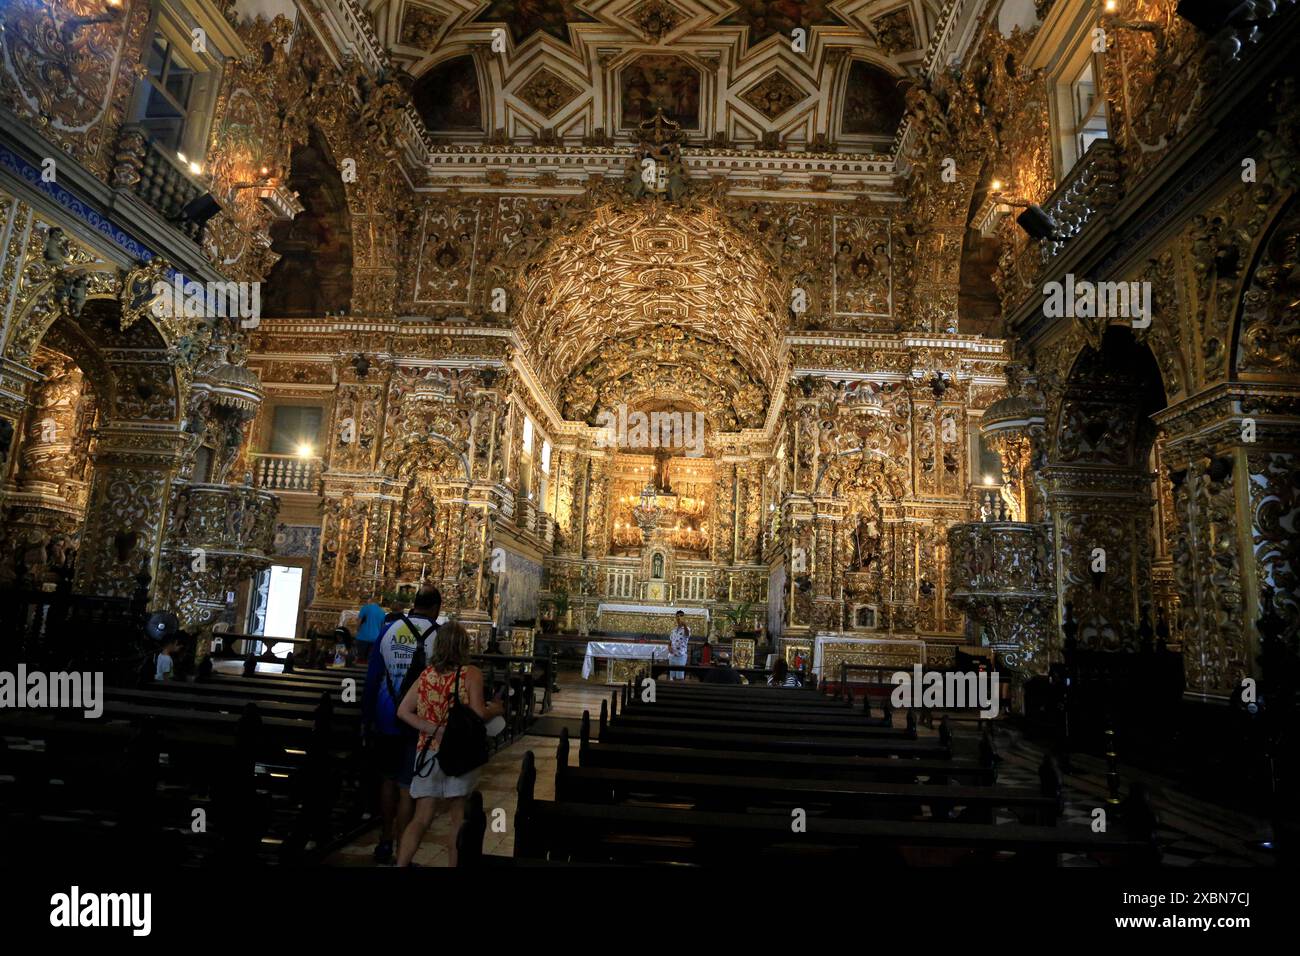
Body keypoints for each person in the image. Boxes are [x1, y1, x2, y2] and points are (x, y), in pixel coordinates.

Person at [395, 622, 504, 867]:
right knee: (457, 819)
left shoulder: (427, 674)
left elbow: (402, 711)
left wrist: (433, 729)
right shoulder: (470, 673)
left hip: (428, 753)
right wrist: (495, 708)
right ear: (464, 645)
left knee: (421, 818)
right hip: (460, 753)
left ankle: (400, 865)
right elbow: (478, 713)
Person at [362, 585, 442, 865]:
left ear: (414, 604)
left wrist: (366, 716)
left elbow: (372, 677)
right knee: (407, 786)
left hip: (386, 714)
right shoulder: (439, 637)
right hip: (419, 720)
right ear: (437, 608)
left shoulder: (390, 629)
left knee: (387, 779)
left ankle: (384, 841)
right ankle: (400, 851)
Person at [354, 592, 386, 664]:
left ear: (370, 600)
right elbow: (382, 626)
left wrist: (357, 630)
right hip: (375, 638)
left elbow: (359, 621)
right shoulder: (382, 611)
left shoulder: (365, 608)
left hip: (363, 636)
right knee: (370, 660)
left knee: (360, 658)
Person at [668, 610, 690, 681]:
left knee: (680, 678)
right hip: (672, 656)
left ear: (683, 617)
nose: (679, 618)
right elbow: (670, 642)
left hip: (681, 656)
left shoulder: (687, 629)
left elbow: (687, 634)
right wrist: (669, 647)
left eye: (681, 616)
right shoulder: (673, 630)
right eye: (677, 616)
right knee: (673, 676)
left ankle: (679, 690)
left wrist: (685, 625)